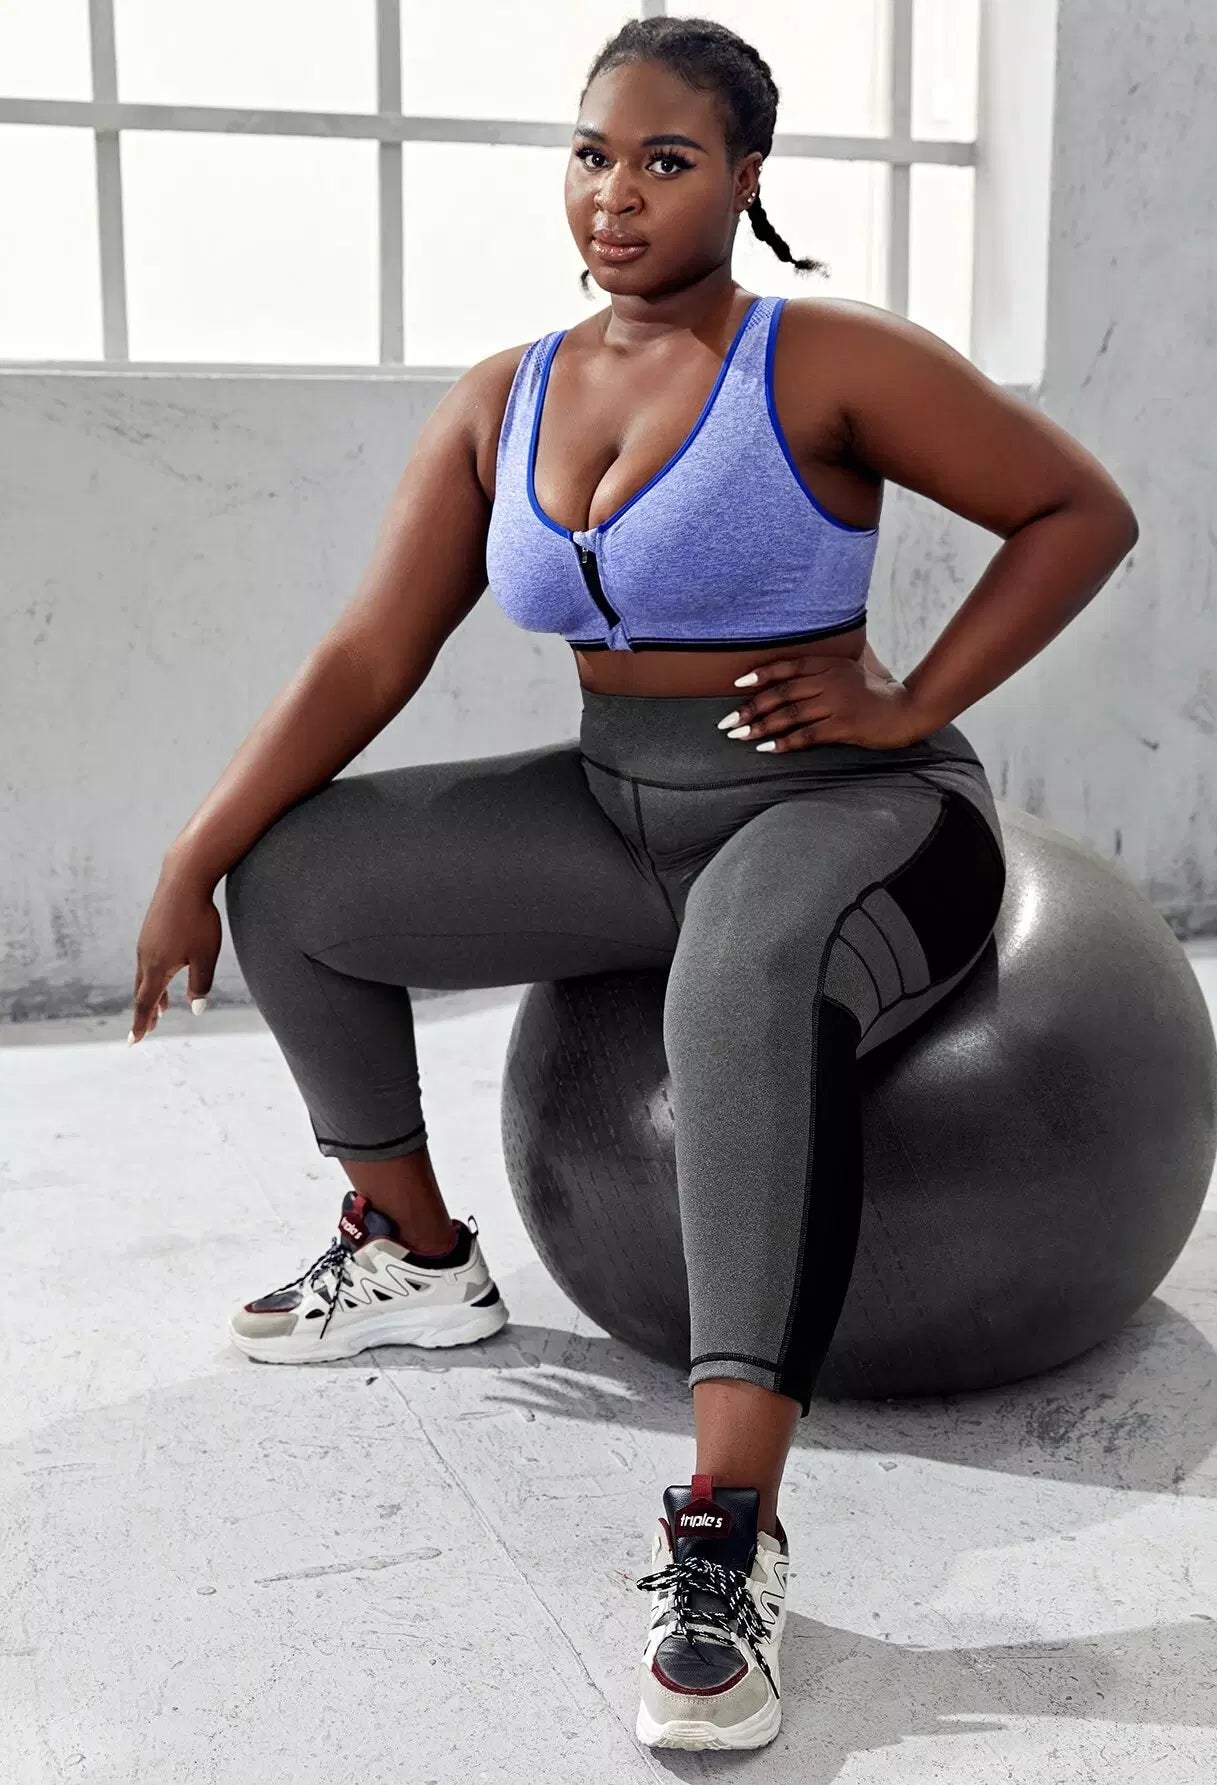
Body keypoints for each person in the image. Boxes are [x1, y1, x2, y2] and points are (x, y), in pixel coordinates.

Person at [127, 17, 1138, 1755]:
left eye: (667, 160)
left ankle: (727, 1537)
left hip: (854, 810)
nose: (617, 193)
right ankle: (417, 1253)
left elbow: (1078, 512)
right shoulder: (504, 395)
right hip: (619, 809)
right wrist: (195, 849)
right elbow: (370, 653)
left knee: (741, 976)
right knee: (299, 873)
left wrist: (912, 703)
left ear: (746, 178)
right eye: (593, 153)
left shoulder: (822, 359)